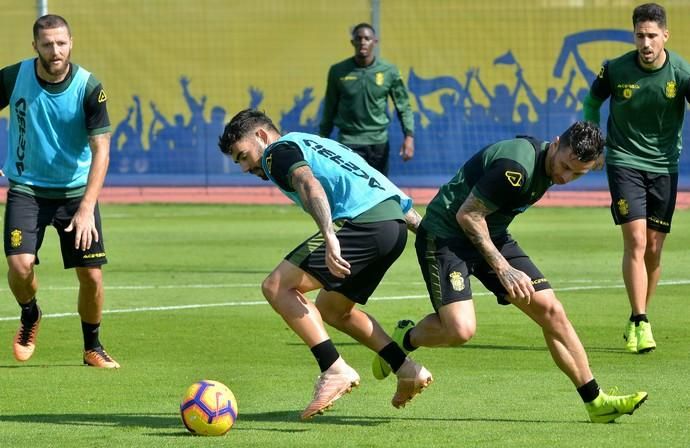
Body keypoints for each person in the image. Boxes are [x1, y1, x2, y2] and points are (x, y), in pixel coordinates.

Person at [372, 121, 648, 423]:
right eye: (565, 166)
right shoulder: (514, 169)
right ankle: (405, 339)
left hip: (493, 234)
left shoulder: (560, 164)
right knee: (460, 331)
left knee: (551, 311)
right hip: (446, 238)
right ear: (555, 144)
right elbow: (468, 215)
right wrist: (503, 269)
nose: (566, 177)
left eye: (577, 173)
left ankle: (596, 402)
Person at [218, 109, 432, 420]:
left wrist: (330, 236)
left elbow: (307, 182)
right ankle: (406, 368)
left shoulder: (276, 153)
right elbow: (380, 184)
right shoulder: (315, 143)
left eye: (242, 155)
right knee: (333, 309)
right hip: (393, 226)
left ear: (262, 137)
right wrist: (424, 232)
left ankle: (333, 369)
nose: (244, 166)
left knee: (276, 286)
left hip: (363, 226)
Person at [0, 14, 119, 368]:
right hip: (27, 189)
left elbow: (102, 150)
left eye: (61, 43)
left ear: (71, 43)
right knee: (20, 267)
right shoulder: (13, 77)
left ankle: (92, 347)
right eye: (48, 44)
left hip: (74, 193)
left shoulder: (89, 87)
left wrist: (86, 208)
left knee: (92, 276)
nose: (56, 50)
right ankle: (30, 314)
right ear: (34, 45)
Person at [583, 3, 690, 354]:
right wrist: (595, 142)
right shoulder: (614, 69)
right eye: (640, 35)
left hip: (664, 166)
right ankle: (643, 321)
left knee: (655, 250)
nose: (646, 43)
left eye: (652, 36)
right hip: (623, 162)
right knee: (637, 241)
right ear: (635, 36)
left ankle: (636, 317)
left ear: (665, 36)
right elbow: (591, 102)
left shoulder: (681, 72)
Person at [318, 23, 415, 176]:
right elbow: (330, 107)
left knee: (379, 193)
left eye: (367, 38)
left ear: (375, 42)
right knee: (350, 192)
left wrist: (409, 136)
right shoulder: (337, 71)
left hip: (378, 143)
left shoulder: (389, 71)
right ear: (353, 42)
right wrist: (322, 138)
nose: (363, 42)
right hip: (348, 142)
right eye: (359, 38)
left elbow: (403, 106)